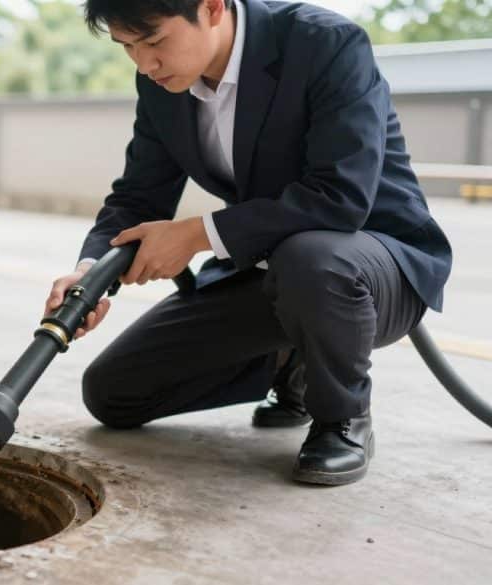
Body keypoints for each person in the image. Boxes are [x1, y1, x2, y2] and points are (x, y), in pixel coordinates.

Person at [45, 0, 452, 485]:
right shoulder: (162, 84)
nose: (144, 64)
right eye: (126, 47)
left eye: (153, 41)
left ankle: (341, 417)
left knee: (312, 259)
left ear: (212, 7)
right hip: (268, 272)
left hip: (372, 265)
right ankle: (294, 361)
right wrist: (91, 272)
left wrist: (195, 235)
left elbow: (340, 197)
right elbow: (137, 197)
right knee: (113, 393)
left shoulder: (325, 43)